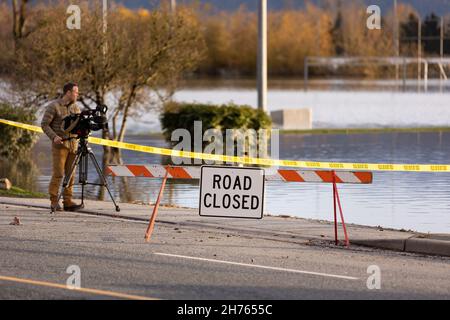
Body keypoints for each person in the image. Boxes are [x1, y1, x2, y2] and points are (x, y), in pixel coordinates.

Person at [41, 82, 83, 212]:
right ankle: (54, 201)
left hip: (73, 146)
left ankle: (68, 201)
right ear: (68, 93)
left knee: (70, 175)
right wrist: (54, 137)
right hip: (59, 146)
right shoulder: (53, 106)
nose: (77, 94)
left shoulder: (76, 108)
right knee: (58, 174)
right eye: (75, 92)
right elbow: (44, 124)